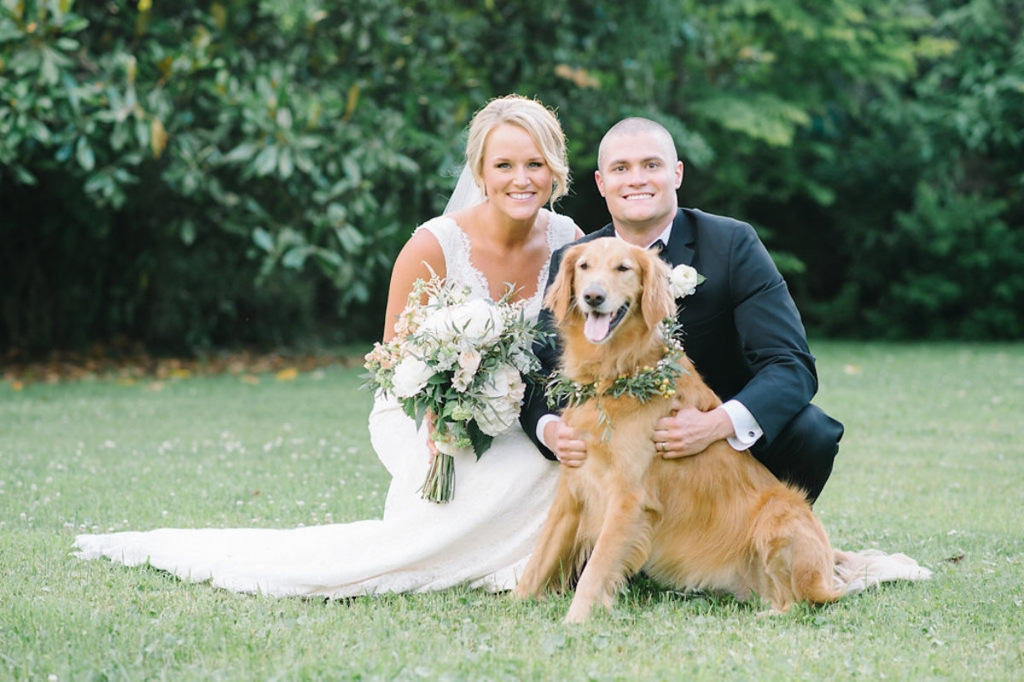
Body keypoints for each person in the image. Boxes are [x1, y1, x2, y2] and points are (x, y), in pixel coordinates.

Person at [73, 94, 584, 597]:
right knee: (502, 477)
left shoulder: (569, 239)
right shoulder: (435, 245)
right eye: (505, 164)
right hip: (422, 410)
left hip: (516, 408)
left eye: (535, 163)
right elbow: (396, 361)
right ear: (480, 170)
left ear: (554, 168)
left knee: (546, 461)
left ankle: (534, 559)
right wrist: (442, 417)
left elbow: (572, 351)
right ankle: (495, 561)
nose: (521, 179)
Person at [520, 117, 843, 503]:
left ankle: (767, 546)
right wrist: (550, 428)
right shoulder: (577, 261)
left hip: (723, 448)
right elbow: (540, 369)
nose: (637, 179)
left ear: (677, 174)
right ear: (602, 183)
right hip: (619, 452)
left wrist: (715, 424)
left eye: (651, 165)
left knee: (814, 430)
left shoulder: (731, 244)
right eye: (621, 168)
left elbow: (791, 365)